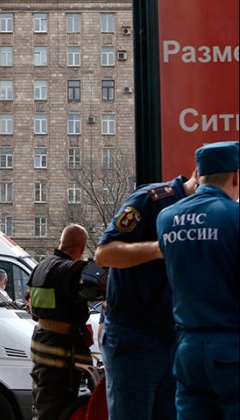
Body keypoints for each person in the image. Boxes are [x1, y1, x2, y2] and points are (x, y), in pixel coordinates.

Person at [95, 168, 198, 420]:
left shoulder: (210, 216)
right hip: (135, 336)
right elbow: (104, 254)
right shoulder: (151, 200)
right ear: (198, 174)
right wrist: (160, 247)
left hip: (176, 338)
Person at [156, 141, 239, 419]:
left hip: (188, 351)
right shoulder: (234, 216)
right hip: (230, 349)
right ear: (236, 176)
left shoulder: (167, 218)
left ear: (198, 174)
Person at [27, 224, 92, 420]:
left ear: (59, 242)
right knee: (56, 411)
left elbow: (32, 307)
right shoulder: (73, 270)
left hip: (40, 345)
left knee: (41, 407)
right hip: (60, 354)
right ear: (82, 248)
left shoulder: (40, 267)